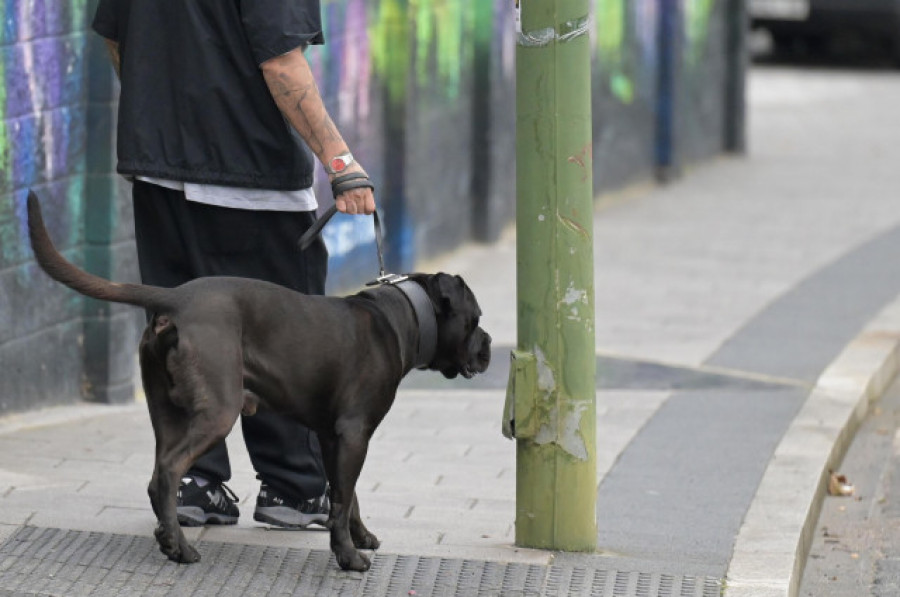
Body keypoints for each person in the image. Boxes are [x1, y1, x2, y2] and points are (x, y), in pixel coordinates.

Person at [91, 0, 376, 529]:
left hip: (158, 172)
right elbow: (281, 62)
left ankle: (194, 483)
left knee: (182, 333)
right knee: (288, 341)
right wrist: (342, 164)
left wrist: (164, 120)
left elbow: (114, 37)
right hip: (252, 179)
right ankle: (295, 488)